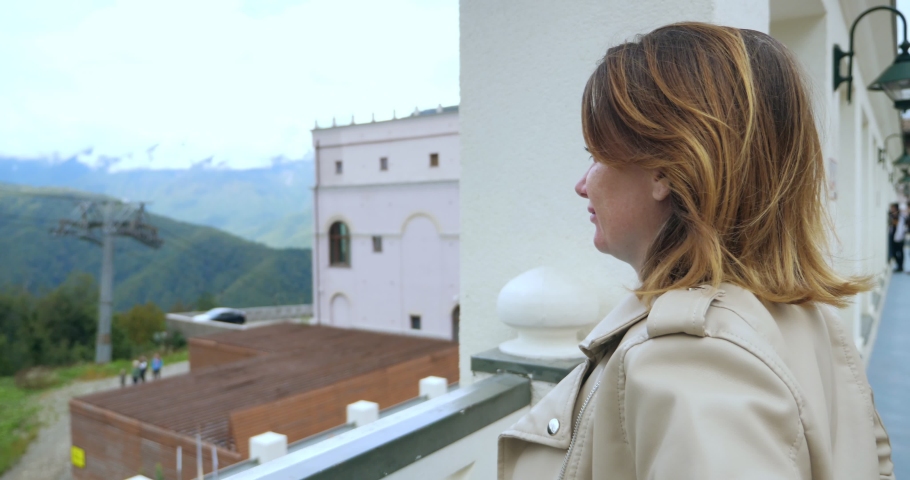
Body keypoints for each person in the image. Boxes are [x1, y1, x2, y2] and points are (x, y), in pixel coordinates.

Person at [499, 23, 894, 480]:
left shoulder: (694, 357)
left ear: (665, 168)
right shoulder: (803, 317)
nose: (583, 184)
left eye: (598, 154)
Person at [888, 203, 900, 271]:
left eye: (892, 208)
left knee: (898, 251)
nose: (891, 209)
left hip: (898, 236)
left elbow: (897, 224)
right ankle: (899, 265)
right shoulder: (891, 215)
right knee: (894, 251)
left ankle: (900, 266)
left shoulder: (898, 216)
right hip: (893, 235)